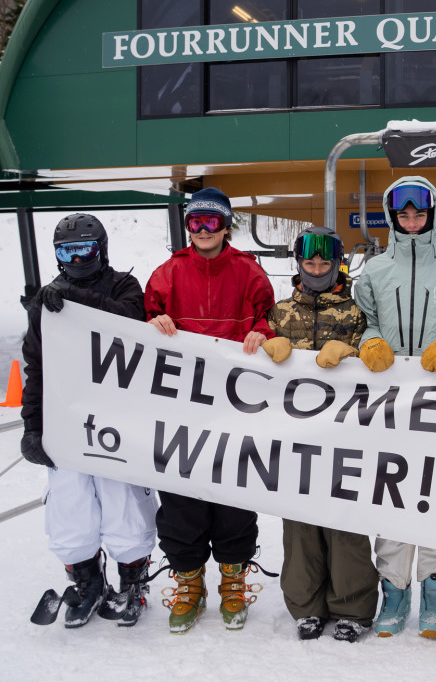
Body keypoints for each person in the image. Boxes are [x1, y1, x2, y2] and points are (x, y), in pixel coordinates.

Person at [144, 187, 277, 633]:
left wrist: (260, 331)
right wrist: (152, 324)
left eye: (212, 222)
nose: (203, 230)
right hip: (182, 409)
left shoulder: (248, 271)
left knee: (234, 496)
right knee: (181, 498)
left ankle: (233, 579)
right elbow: (142, 324)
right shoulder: (168, 272)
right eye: (195, 222)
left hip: (235, 409)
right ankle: (188, 580)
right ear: (188, 227)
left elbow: (268, 317)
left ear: (226, 225)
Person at [19, 213, 158, 628]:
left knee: (122, 503)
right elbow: (36, 367)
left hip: (117, 417)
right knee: (70, 504)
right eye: (67, 252)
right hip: (67, 419)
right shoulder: (48, 300)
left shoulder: (124, 286)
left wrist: (86, 303)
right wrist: (32, 425)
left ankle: (132, 580)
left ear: (101, 249)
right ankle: (84, 579)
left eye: (85, 249)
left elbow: (135, 324)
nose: (77, 260)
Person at [353, 176, 436, 640]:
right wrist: (372, 342)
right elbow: (367, 323)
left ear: (433, 213)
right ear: (391, 216)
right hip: (391, 403)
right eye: (402, 214)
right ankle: (395, 593)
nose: (410, 220)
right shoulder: (375, 270)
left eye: (418, 213)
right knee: (392, 494)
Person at [265, 226, 379, 644]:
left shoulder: (354, 311)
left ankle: (352, 606)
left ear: (337, 264)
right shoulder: (280, 311)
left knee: (344, 522)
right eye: (309, 262)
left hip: (346, 434)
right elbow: (251, 356)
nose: (316, 268)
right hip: (293, 435)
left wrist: (355, 351)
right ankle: (306, 604)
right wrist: (265, 343)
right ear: (298, 263)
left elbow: (373, 344)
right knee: (300, 526)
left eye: (324, 262)